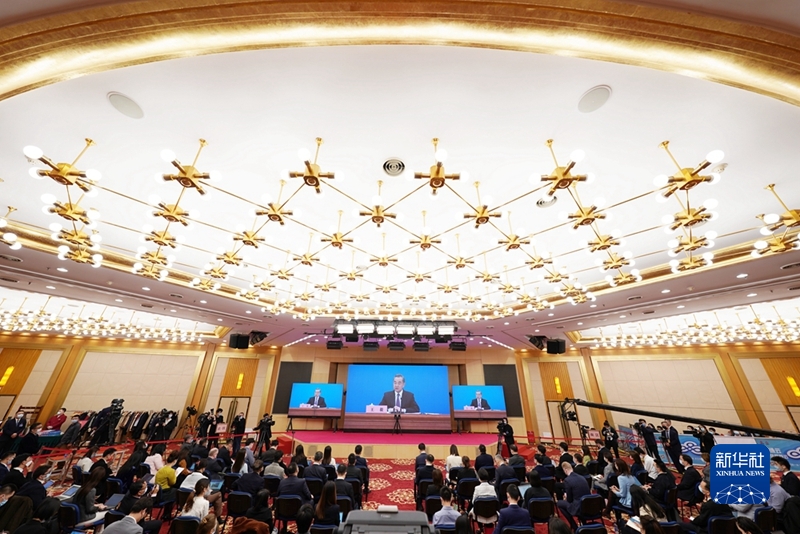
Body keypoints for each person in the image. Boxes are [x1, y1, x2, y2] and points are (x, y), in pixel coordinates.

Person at [556, 462, 591, 531]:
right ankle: (583, 523)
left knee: (559, 503)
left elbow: (569, 500)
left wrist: (566, 497)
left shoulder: (567, 480)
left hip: (578, 507)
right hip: (588, 505)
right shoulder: (582, 477)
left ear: (565, 470)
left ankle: (574, 527)